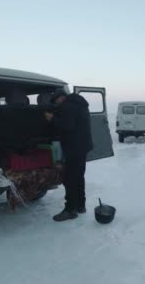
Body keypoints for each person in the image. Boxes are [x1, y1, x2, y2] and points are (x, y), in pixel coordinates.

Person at [44, 89, 93, 222]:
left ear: (61, 98)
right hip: (82, 147)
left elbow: (68, 126)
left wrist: (52, 118)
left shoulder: (68, 106)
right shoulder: (79, 104)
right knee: (78, 176)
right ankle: (80, 205)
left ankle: (70, 210)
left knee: (69, 178)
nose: (56, 105)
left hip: (74, 148)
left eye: (56, 102)